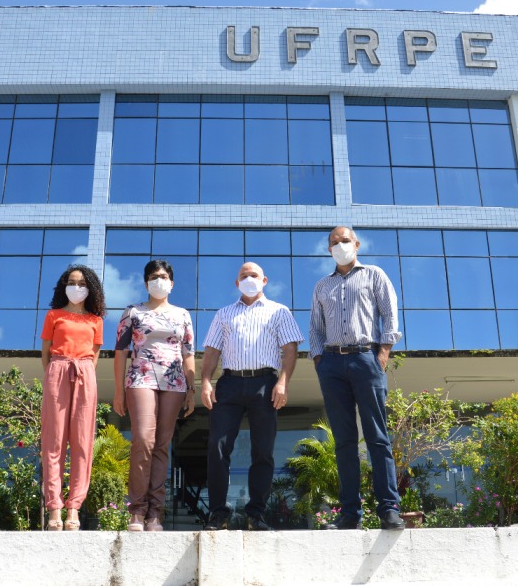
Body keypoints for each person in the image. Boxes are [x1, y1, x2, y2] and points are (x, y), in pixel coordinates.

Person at [309, 226, 406, 530]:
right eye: (334, 243)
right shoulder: (322, 286)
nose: (340, 246)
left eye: (345, 241)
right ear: (329, 250)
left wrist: (383, 352)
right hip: (332, 364)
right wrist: (319, 360)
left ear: (357, 244)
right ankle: (350, 513)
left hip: (367, 358)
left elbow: (390, 314)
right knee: (344, 442)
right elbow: (315, 328)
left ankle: (389, 507)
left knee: (377, 437)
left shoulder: (374, 274)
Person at [200, 262, 303, 531]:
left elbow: (290, 349)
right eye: (244, 276)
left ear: (264, 280)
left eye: (254, 275)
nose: (249, 279)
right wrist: (205, 383)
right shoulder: (224, 314)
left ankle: (256, 514)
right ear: (236, 283)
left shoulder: (279, 312)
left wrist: (283, 382)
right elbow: (211, 351)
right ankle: (218, 513)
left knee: (263, 451)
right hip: (230, 383)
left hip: (265, 384)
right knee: (217, 448)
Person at [113, 259, 195, 532]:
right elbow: (120, 352)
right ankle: (136, 510)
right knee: (144, 440)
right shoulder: (132, 312)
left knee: (162, 445)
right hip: (140, 378)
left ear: (171, 283)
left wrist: (191, 390)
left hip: (174, 382)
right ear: (146, 282)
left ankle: (154, 514)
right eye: (153, 276)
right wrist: (118, 391)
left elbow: (188, 354)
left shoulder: (183, 314)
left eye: (163, 276)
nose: (158, 280)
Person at [40, 264, 105, 531]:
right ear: (63, 286)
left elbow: (96, 355)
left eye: (81, 283)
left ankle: (74, 508)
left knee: (82, 443)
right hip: (58, 369)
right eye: (71, 282)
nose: (76, 287)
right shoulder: (53, 315)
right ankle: (54, 506)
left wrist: (82, 374)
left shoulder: (96, 320)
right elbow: (45, 352)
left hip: (85, 373)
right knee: (53, 442)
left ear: (90, 288)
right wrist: (55, 375)